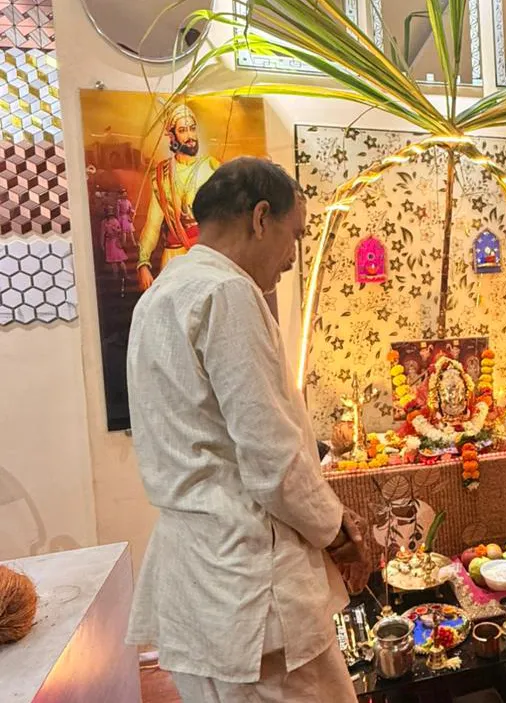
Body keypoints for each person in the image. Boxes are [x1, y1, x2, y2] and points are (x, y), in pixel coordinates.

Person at [126, 157, 364, 702]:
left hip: (199, 575)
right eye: (294, 234)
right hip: (253, 582)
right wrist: (338, 531)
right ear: (261, 217)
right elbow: (272, 461)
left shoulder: (161, 294)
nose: (292, 256)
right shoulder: (227, 294)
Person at [136, 103, 219, 292]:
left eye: (192, 129)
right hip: (174, 256)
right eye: (183, 130)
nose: (190, 137)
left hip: (206, 253)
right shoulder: (161, 175)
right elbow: (153, 224)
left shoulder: (212, 167)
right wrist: (143, 263)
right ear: (172, 135)